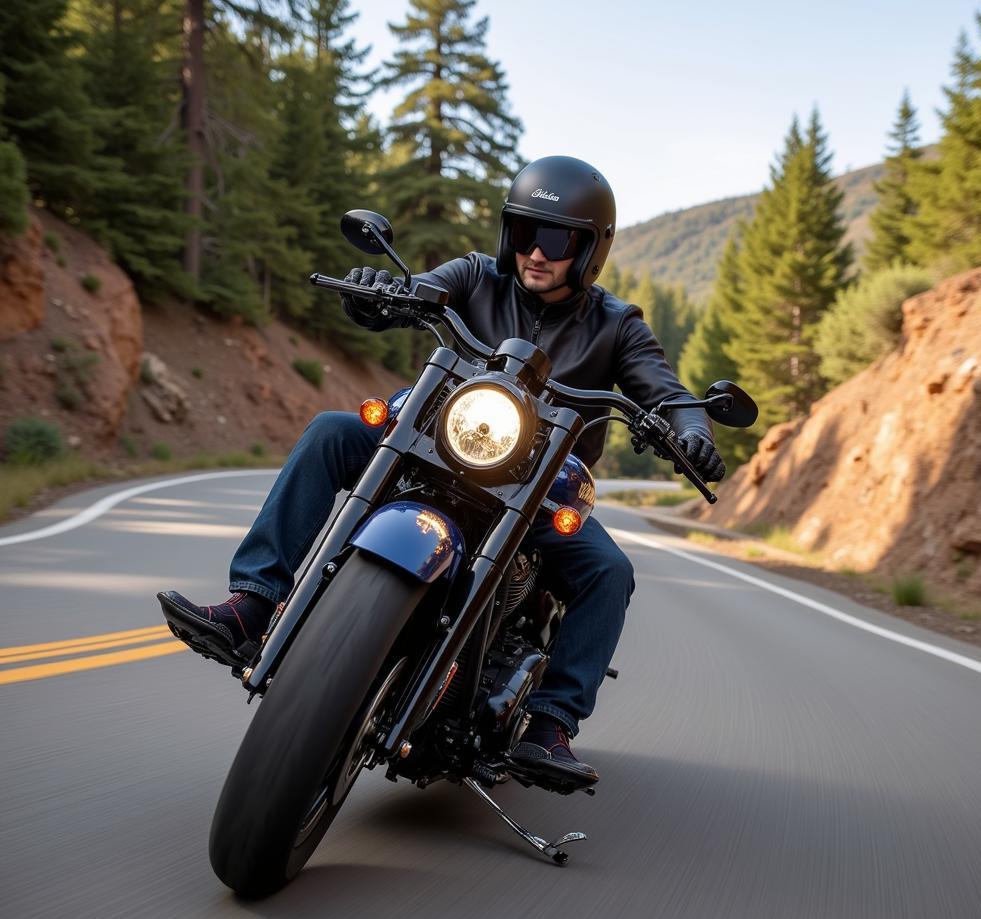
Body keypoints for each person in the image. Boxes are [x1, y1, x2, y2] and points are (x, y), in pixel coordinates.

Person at [158, 155, 724, 789]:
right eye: (524, 233)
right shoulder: (478, 276)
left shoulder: (616, 326)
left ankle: (551, 723)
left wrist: (692, 430)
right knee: (329, 432)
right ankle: (254, 604)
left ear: (589, 250)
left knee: (609, 571)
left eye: (558, 239)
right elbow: (426, 287)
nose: (536, 252)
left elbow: (666, 393)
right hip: (437, 443)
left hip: (533, 488)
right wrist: (385, 294)